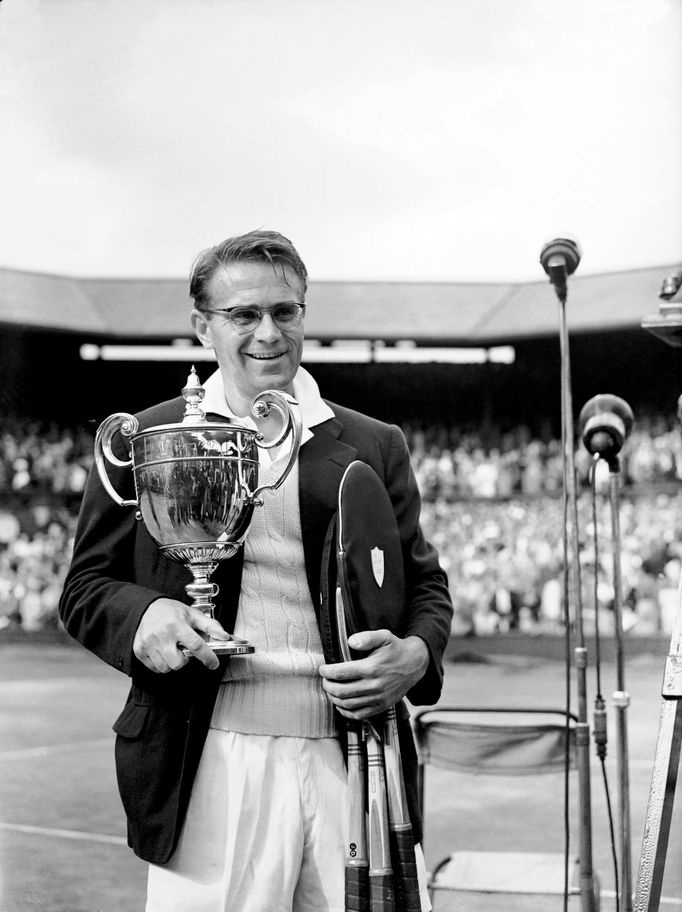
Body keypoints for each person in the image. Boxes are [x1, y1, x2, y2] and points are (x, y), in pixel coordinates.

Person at [59, 229, 453, 912]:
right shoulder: (146, 438)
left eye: (286, 311)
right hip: (205, 756)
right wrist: (146, 615)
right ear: (202, 327)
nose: (268, 333)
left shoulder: (372, 442)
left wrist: (415, 654)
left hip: (351, 753)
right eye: (243, 315)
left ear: (304, 312)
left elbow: (425, 587)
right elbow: (85, 588)